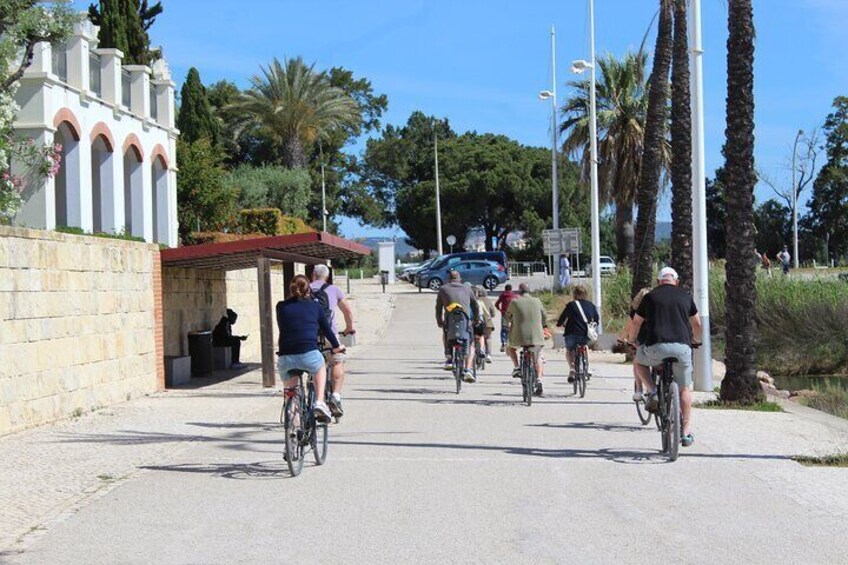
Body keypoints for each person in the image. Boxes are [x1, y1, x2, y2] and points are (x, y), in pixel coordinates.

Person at [627, 267, 702, 447]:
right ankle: (685, 433)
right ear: (676, 281)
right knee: (684, 389)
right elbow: (697, 323)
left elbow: (636, 322)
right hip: (682, 348)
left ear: (659, 281)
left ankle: (653, 391)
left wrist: (631, 341)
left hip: (656, 347)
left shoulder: (650, 297)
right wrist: (696, 340)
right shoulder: (685, 296)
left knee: (639, 362)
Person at [276, 275, 345, 423]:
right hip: (308, 354)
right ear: (309, 290)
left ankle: (292, 429)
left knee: (292, 392)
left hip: (285, 357)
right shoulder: (315, 306)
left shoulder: (280, 306)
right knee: (320, 367)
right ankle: (319, 402)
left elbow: (284, 327)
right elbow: (327, 330)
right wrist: (337, 346)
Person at [310, 264, 355, 418]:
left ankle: (316, 397)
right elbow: (347, 311)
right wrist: (349, 327)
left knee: (315, 365)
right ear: (327, 276)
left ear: (313, 275)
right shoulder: (334, 289)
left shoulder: (305, 289)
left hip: (310, 335)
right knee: (337, 360)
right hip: (330, 334)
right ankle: (335, 395)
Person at [435, 270, 479, 382]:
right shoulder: (467, 288)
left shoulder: (443, 289)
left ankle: (449, 356)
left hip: (450, 321)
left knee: (446, 333)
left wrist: (439, 321)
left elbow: (438, 307)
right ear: (460, 279)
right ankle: (468, 369)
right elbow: (475, 305)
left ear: (449, 279)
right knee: (470, 343)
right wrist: (475, 319)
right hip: (465, 321)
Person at [506, 283, 548, 396]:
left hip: (519, 336)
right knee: (538, 356)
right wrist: (544, 326)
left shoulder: (514, 302)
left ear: (519, 292)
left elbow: (507, 315)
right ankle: (539, 379)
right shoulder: (537, 301)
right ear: (529, 291)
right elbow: (544, 315)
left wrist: (509, 323)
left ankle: (517, 367)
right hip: (536, 336)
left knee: (510, 348)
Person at [556, 285, 599, 383]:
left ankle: (572, 369)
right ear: (585, 294)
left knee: (569, 350)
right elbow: (596, 319)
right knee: (584, 346)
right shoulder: (591, 305)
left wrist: (559, 324)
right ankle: (586, 367)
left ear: (575, 294)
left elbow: (562, 317)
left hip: (571, 333)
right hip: (585, 334)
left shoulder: (571, 305)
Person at [619, 287, 651, 400]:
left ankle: (639, 389)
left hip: (639, 340)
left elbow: (629, 326)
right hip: (655, 339)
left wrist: (622, 339)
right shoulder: (656, 308)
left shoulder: (635, 312)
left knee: (637, 363)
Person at [473, 285, 496, 363]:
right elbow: (493, 313)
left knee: (475, 337)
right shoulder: (487, 300)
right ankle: (488, 355)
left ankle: (474, 353)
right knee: (488, 338)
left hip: (476, 322)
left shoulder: (473, 299)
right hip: (487, 322)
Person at [494, 284, 518, 352]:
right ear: (511, 289)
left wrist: (500, 309)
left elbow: (496, 304)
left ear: (505, 289)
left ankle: (503, 343)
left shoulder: (502, 295)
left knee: (504, 328)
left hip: (504, 314)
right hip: (512, 315)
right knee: (512, 328)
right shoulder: (514, 296)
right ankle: (511, 343)